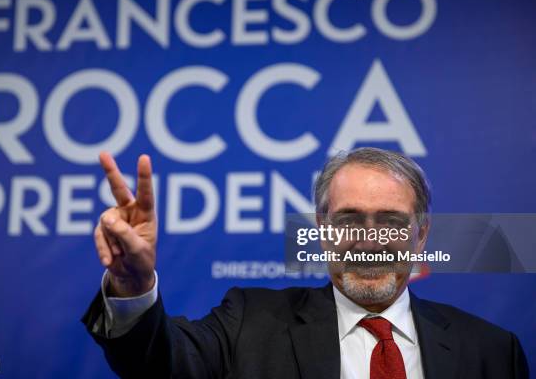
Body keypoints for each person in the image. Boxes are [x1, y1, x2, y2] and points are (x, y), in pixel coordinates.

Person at [82, 147, 529, 378]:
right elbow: (162, 366)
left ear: (422, 233)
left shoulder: (492, 351)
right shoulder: (248, 322)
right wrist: (134, 285)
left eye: (391, 221)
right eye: (349, 219)